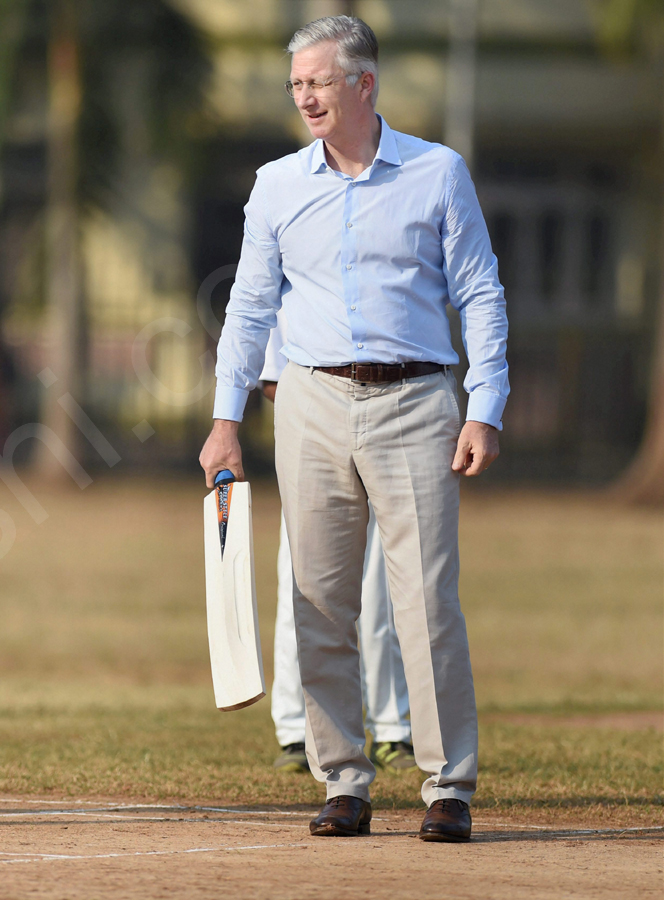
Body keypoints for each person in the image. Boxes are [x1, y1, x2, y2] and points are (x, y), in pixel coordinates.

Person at [200, 16, 508, 843]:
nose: (304, 96)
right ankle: (343, 780)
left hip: (417, 404)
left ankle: (448, 786)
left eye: (319, 82)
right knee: (317, 601)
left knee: (426, 601)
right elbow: (249, 307)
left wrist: (486, 405)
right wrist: (225, 420)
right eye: (296, 84)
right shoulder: (275, 184)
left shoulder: (439, 173)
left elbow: (479, 292)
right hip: (309, 403)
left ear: (363, 85)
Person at [261, 322, 415, 775]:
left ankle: (391, 729)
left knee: (381, 597)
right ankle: (295, 731)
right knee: (302, 594)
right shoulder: (286, 275)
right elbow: (272, 379)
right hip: (315, 434)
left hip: (389, 426)